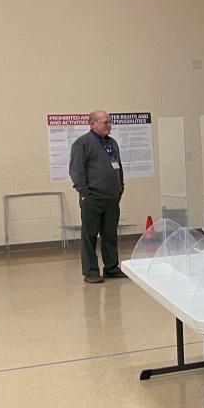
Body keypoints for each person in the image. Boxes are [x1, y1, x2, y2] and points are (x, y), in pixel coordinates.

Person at [69, 109, 125, 284]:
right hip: (93, 198)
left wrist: (120, 187)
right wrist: (85, 193)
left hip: (111, 198)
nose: (108, 125)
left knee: (110, 235)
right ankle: (91, 271)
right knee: (90, 236)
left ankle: (111, 268)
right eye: (104, 122)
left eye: (109, 122)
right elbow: (76, 171)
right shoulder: (82, 143)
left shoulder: (112, 143)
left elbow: (118, 167)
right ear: (92, 123)